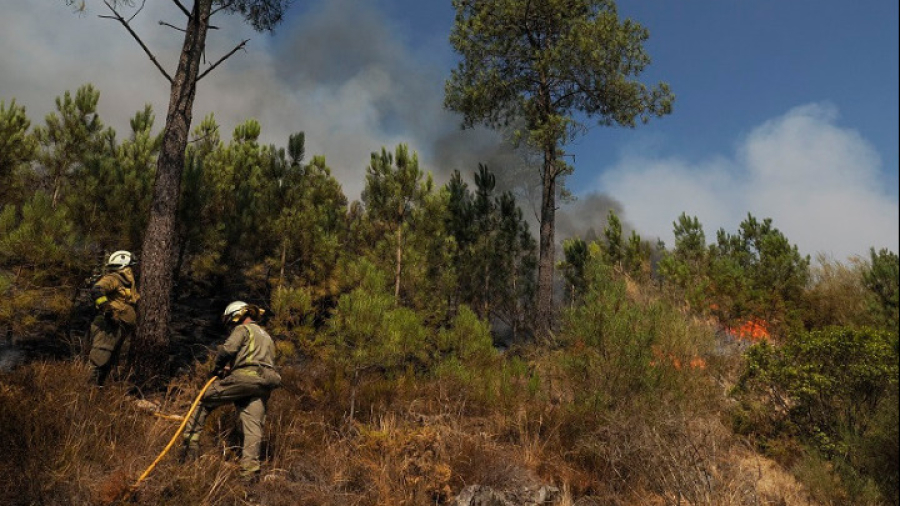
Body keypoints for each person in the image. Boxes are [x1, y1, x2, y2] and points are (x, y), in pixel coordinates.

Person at [181, 301, 282, 482]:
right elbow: (255, 358)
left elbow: (228, 350)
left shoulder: (242, 330)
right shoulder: (265, 335)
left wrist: (218, 368)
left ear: (236, 317)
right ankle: (249, 474)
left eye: (230, 323)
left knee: (203, 400)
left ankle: (189, 449)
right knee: (253, 426)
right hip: (264, 383)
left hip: (246, 378)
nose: (231, 327)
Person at [88, 250, 140, 386]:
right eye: (132, 266)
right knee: (99, 360)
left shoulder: (127, 284)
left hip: (117, 328)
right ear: (125, 267)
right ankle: (86, 394)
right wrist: (107, 310)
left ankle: (97, 394)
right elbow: (96, 290)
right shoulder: (113, 278)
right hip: (107, 326)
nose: (134, 270)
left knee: (108, 363)